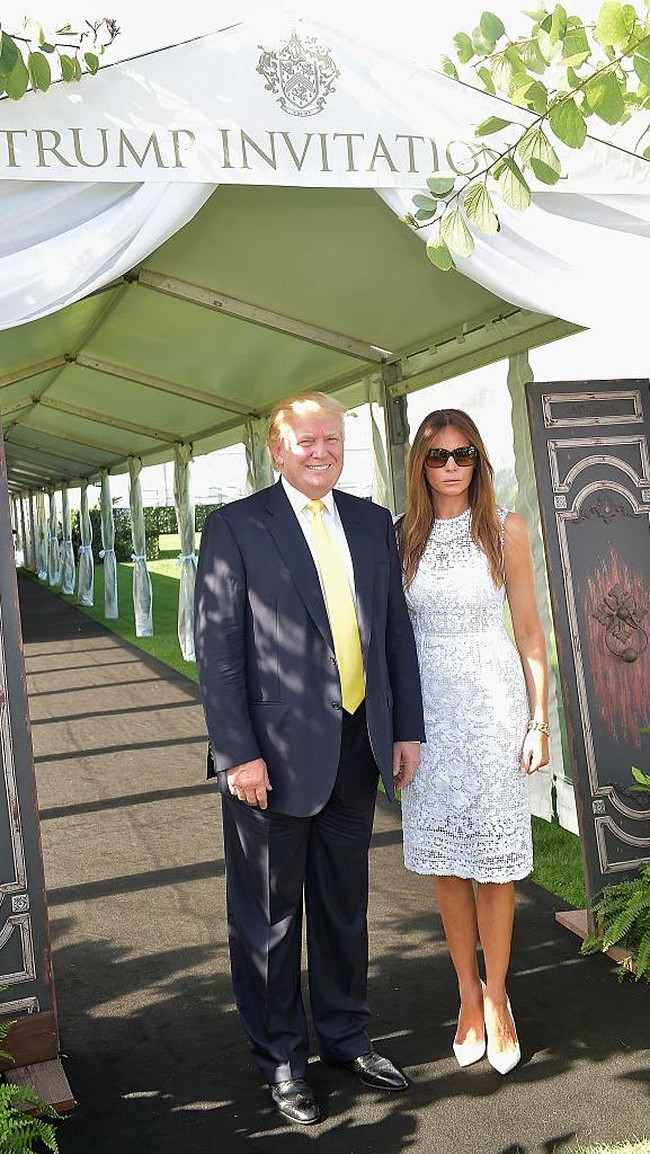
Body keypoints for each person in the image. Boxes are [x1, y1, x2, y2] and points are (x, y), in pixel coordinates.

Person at [194, 391, 425, 1125]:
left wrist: (404, 729)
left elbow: (394, 635)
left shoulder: (368, 522)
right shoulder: (234, 526)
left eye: (332, 438)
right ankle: (282, 1059)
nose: (321, 451)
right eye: (306, 441)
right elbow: (218, 650)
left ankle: (346, 1036)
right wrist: (237, 754)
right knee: (268, 919)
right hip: (270, 761)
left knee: (343, 909)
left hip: (357, 750)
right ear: (277, 449)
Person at [397, 408, 550, 1076]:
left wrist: (540, 718)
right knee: (448, 866)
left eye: (464, 455)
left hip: (494, 715)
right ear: (420, 466)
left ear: (479, 463)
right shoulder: (399, 536)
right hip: (430, 722)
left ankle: (498, 998)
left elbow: (530, 633)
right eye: (438, 456)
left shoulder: (505, 528)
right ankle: (464, 992)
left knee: (496, 866)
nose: (452, 466)